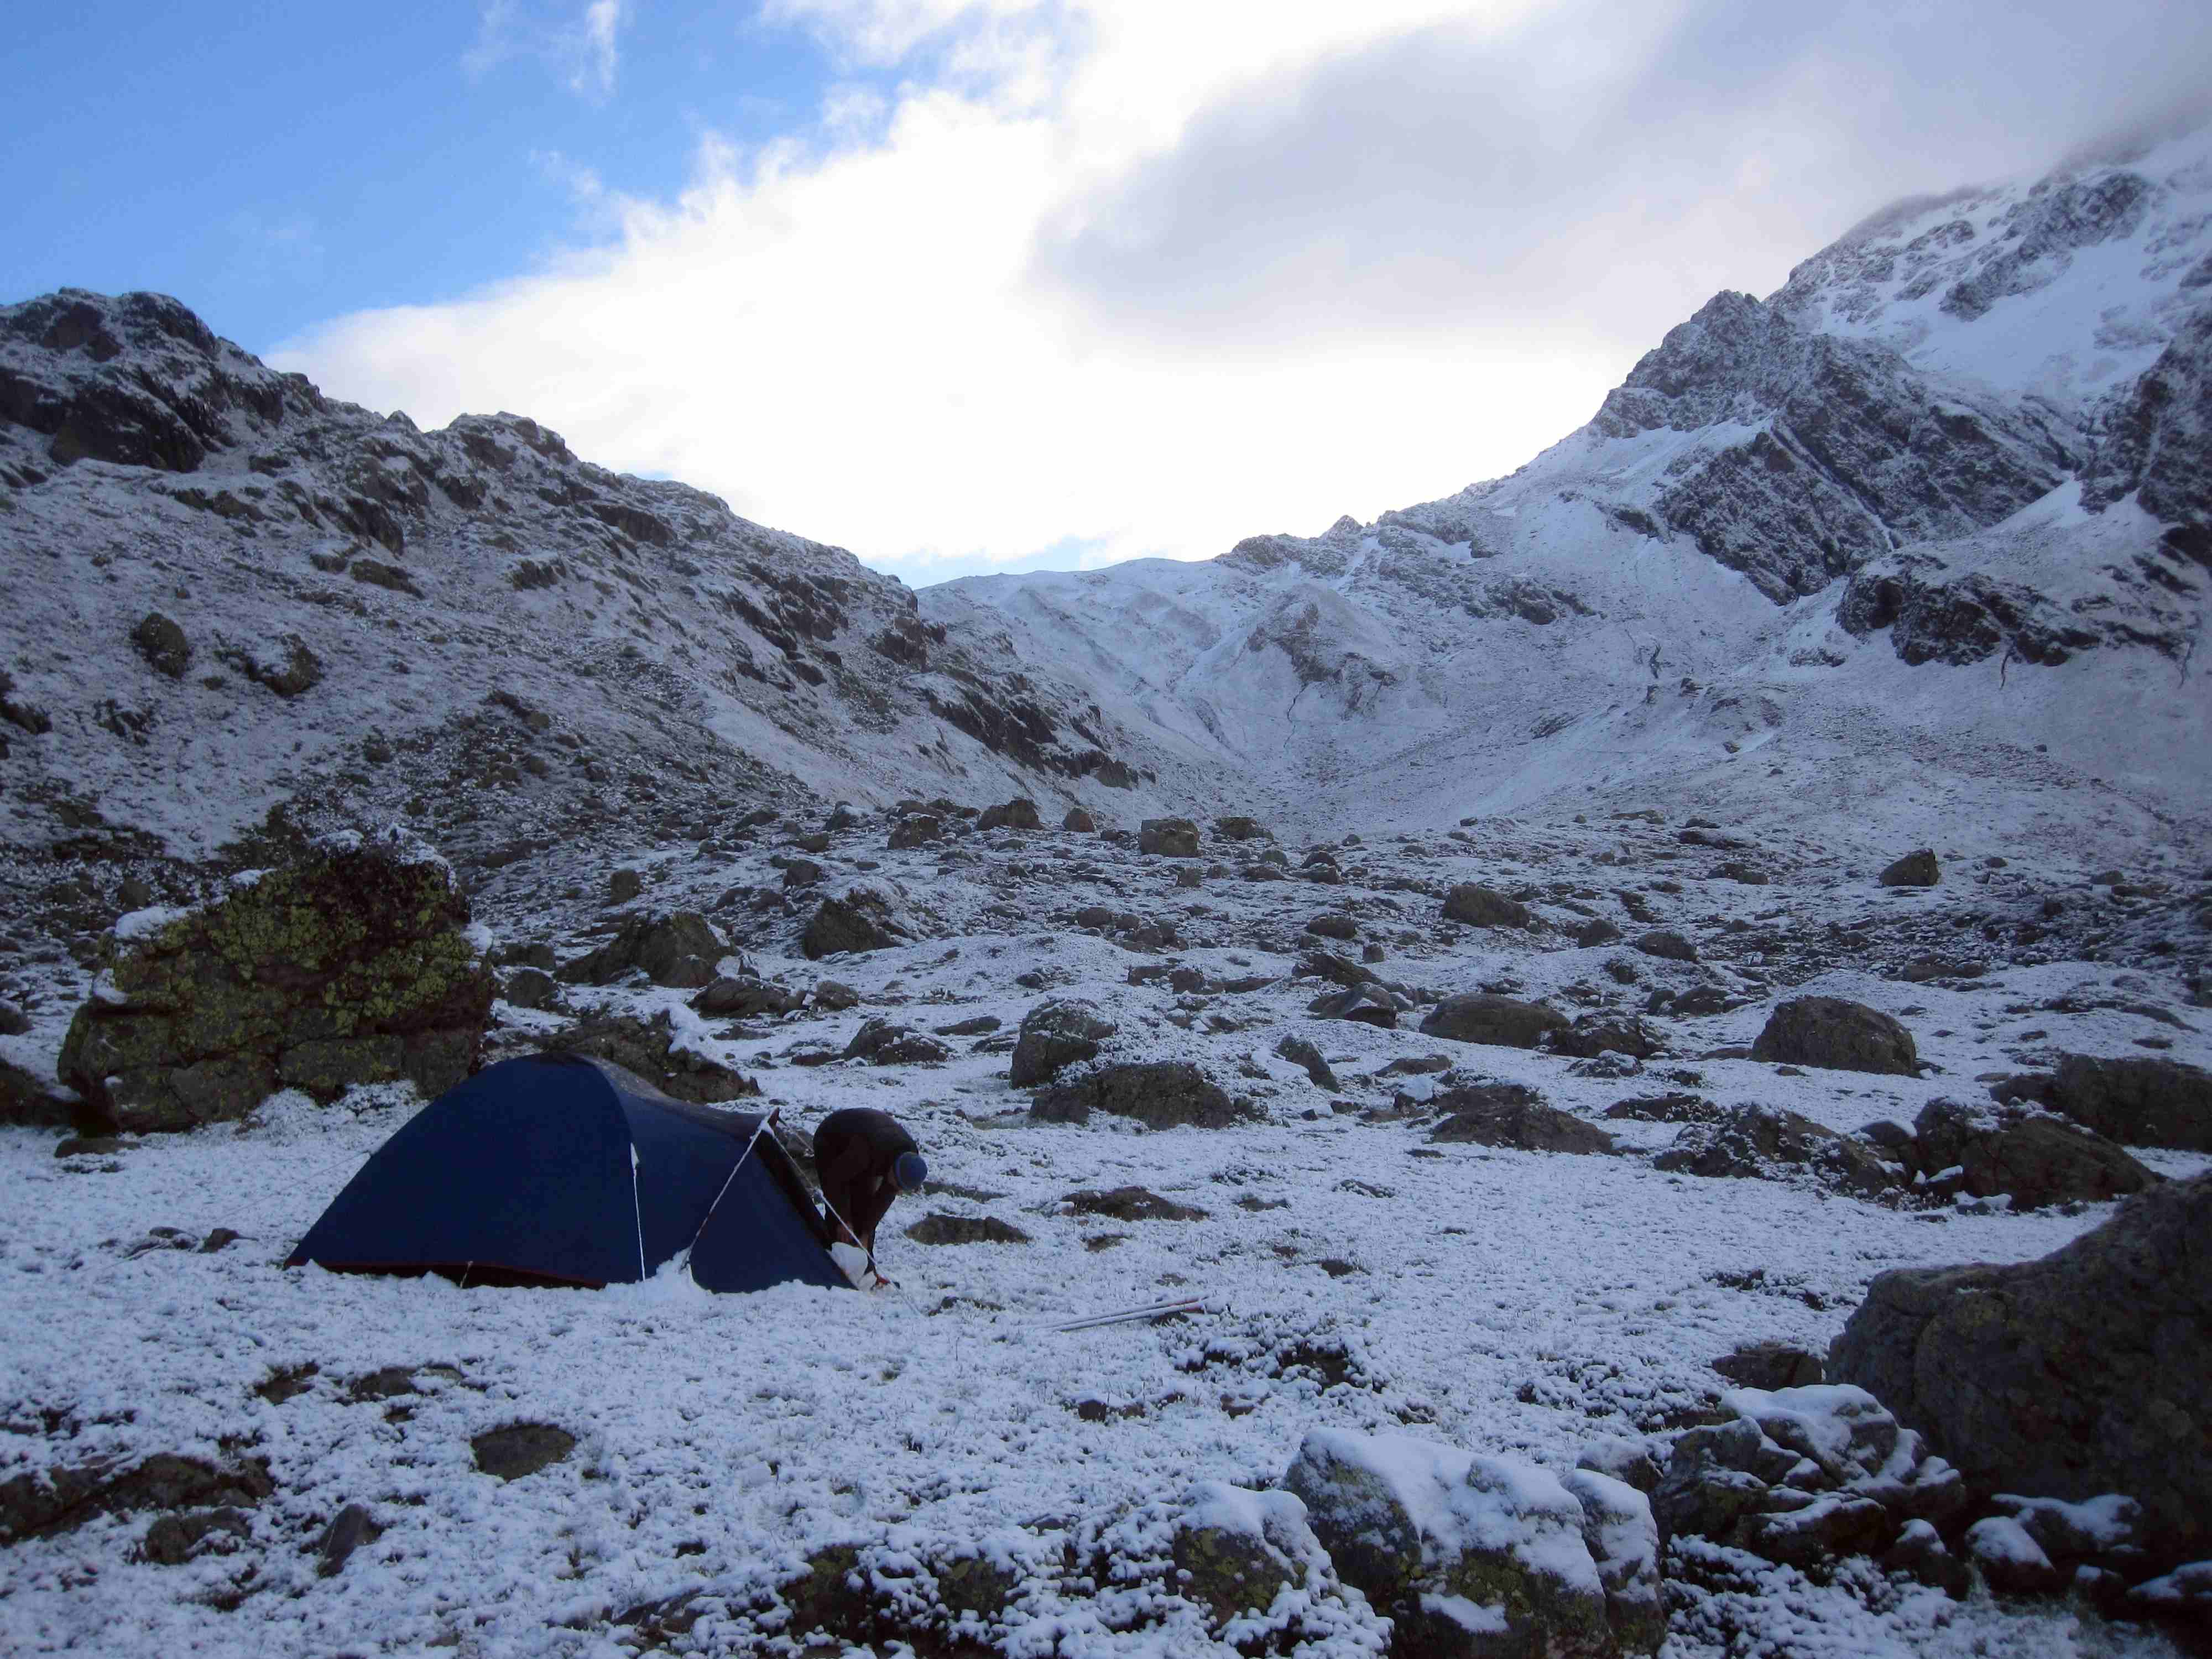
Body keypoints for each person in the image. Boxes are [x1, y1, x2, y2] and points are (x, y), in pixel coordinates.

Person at [811, 1108, 927, 1284]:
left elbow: (883, 1199)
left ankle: (867, 1273)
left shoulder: (909, 1160)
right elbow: (835, 1180)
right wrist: (844, 1219)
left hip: (868, 1146)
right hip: (831, 1140)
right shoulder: (865, 1152)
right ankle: (835, 1270)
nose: (894, 1189)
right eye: (896, 1184)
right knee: (841, 1217)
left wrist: (866, 1233)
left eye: (900, 1188)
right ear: (892, 1169)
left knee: (864, 1210)